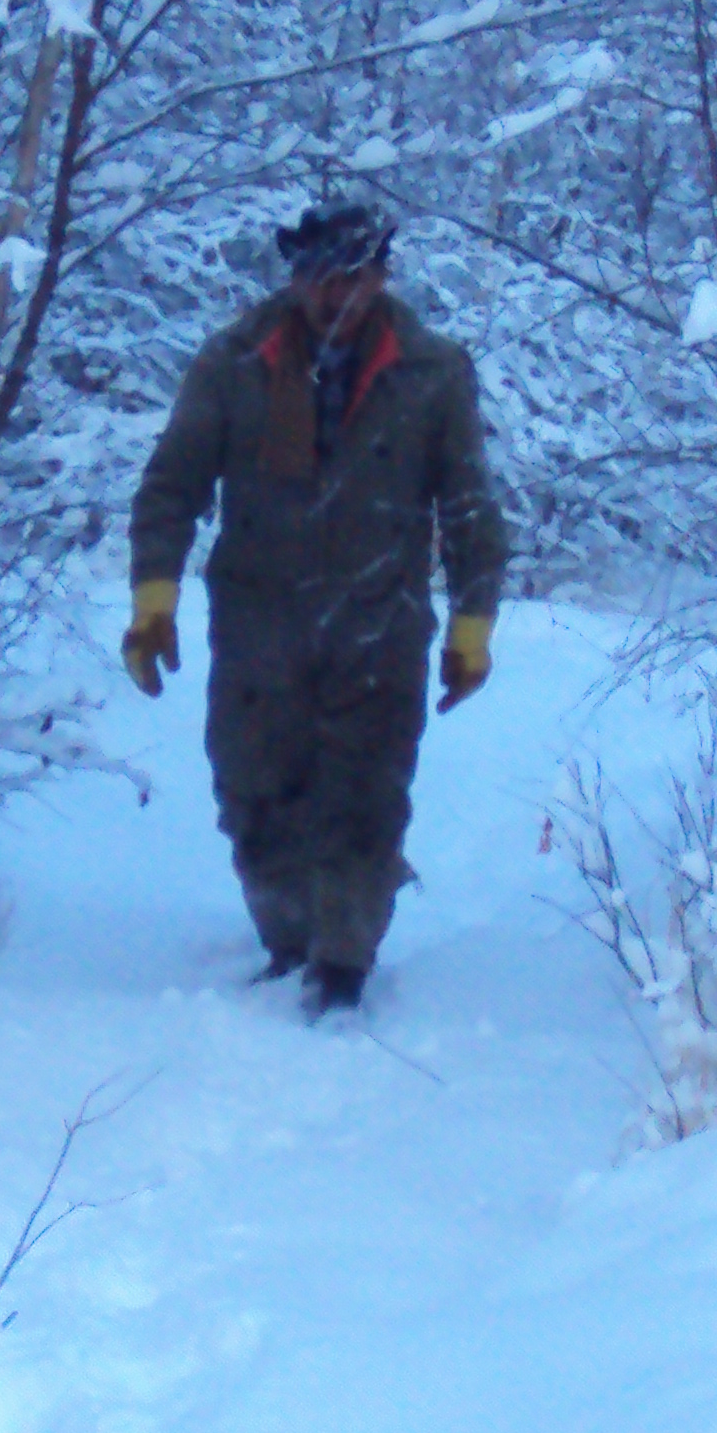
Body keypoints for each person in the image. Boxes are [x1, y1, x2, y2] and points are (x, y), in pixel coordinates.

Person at [121, 206, 508, 1014]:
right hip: (258, 623)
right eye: (319, 278)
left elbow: (469, 506)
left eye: (353, 277)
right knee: (253, 791)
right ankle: (289, 939)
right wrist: (153, 599)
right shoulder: (234, 363)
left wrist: (473, 627)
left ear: (381, 276)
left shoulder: (432, 372)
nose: (336, 295)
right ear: (295, 278)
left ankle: (341, 962)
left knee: (364, 795)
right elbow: (173, 485)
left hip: (381, 621)